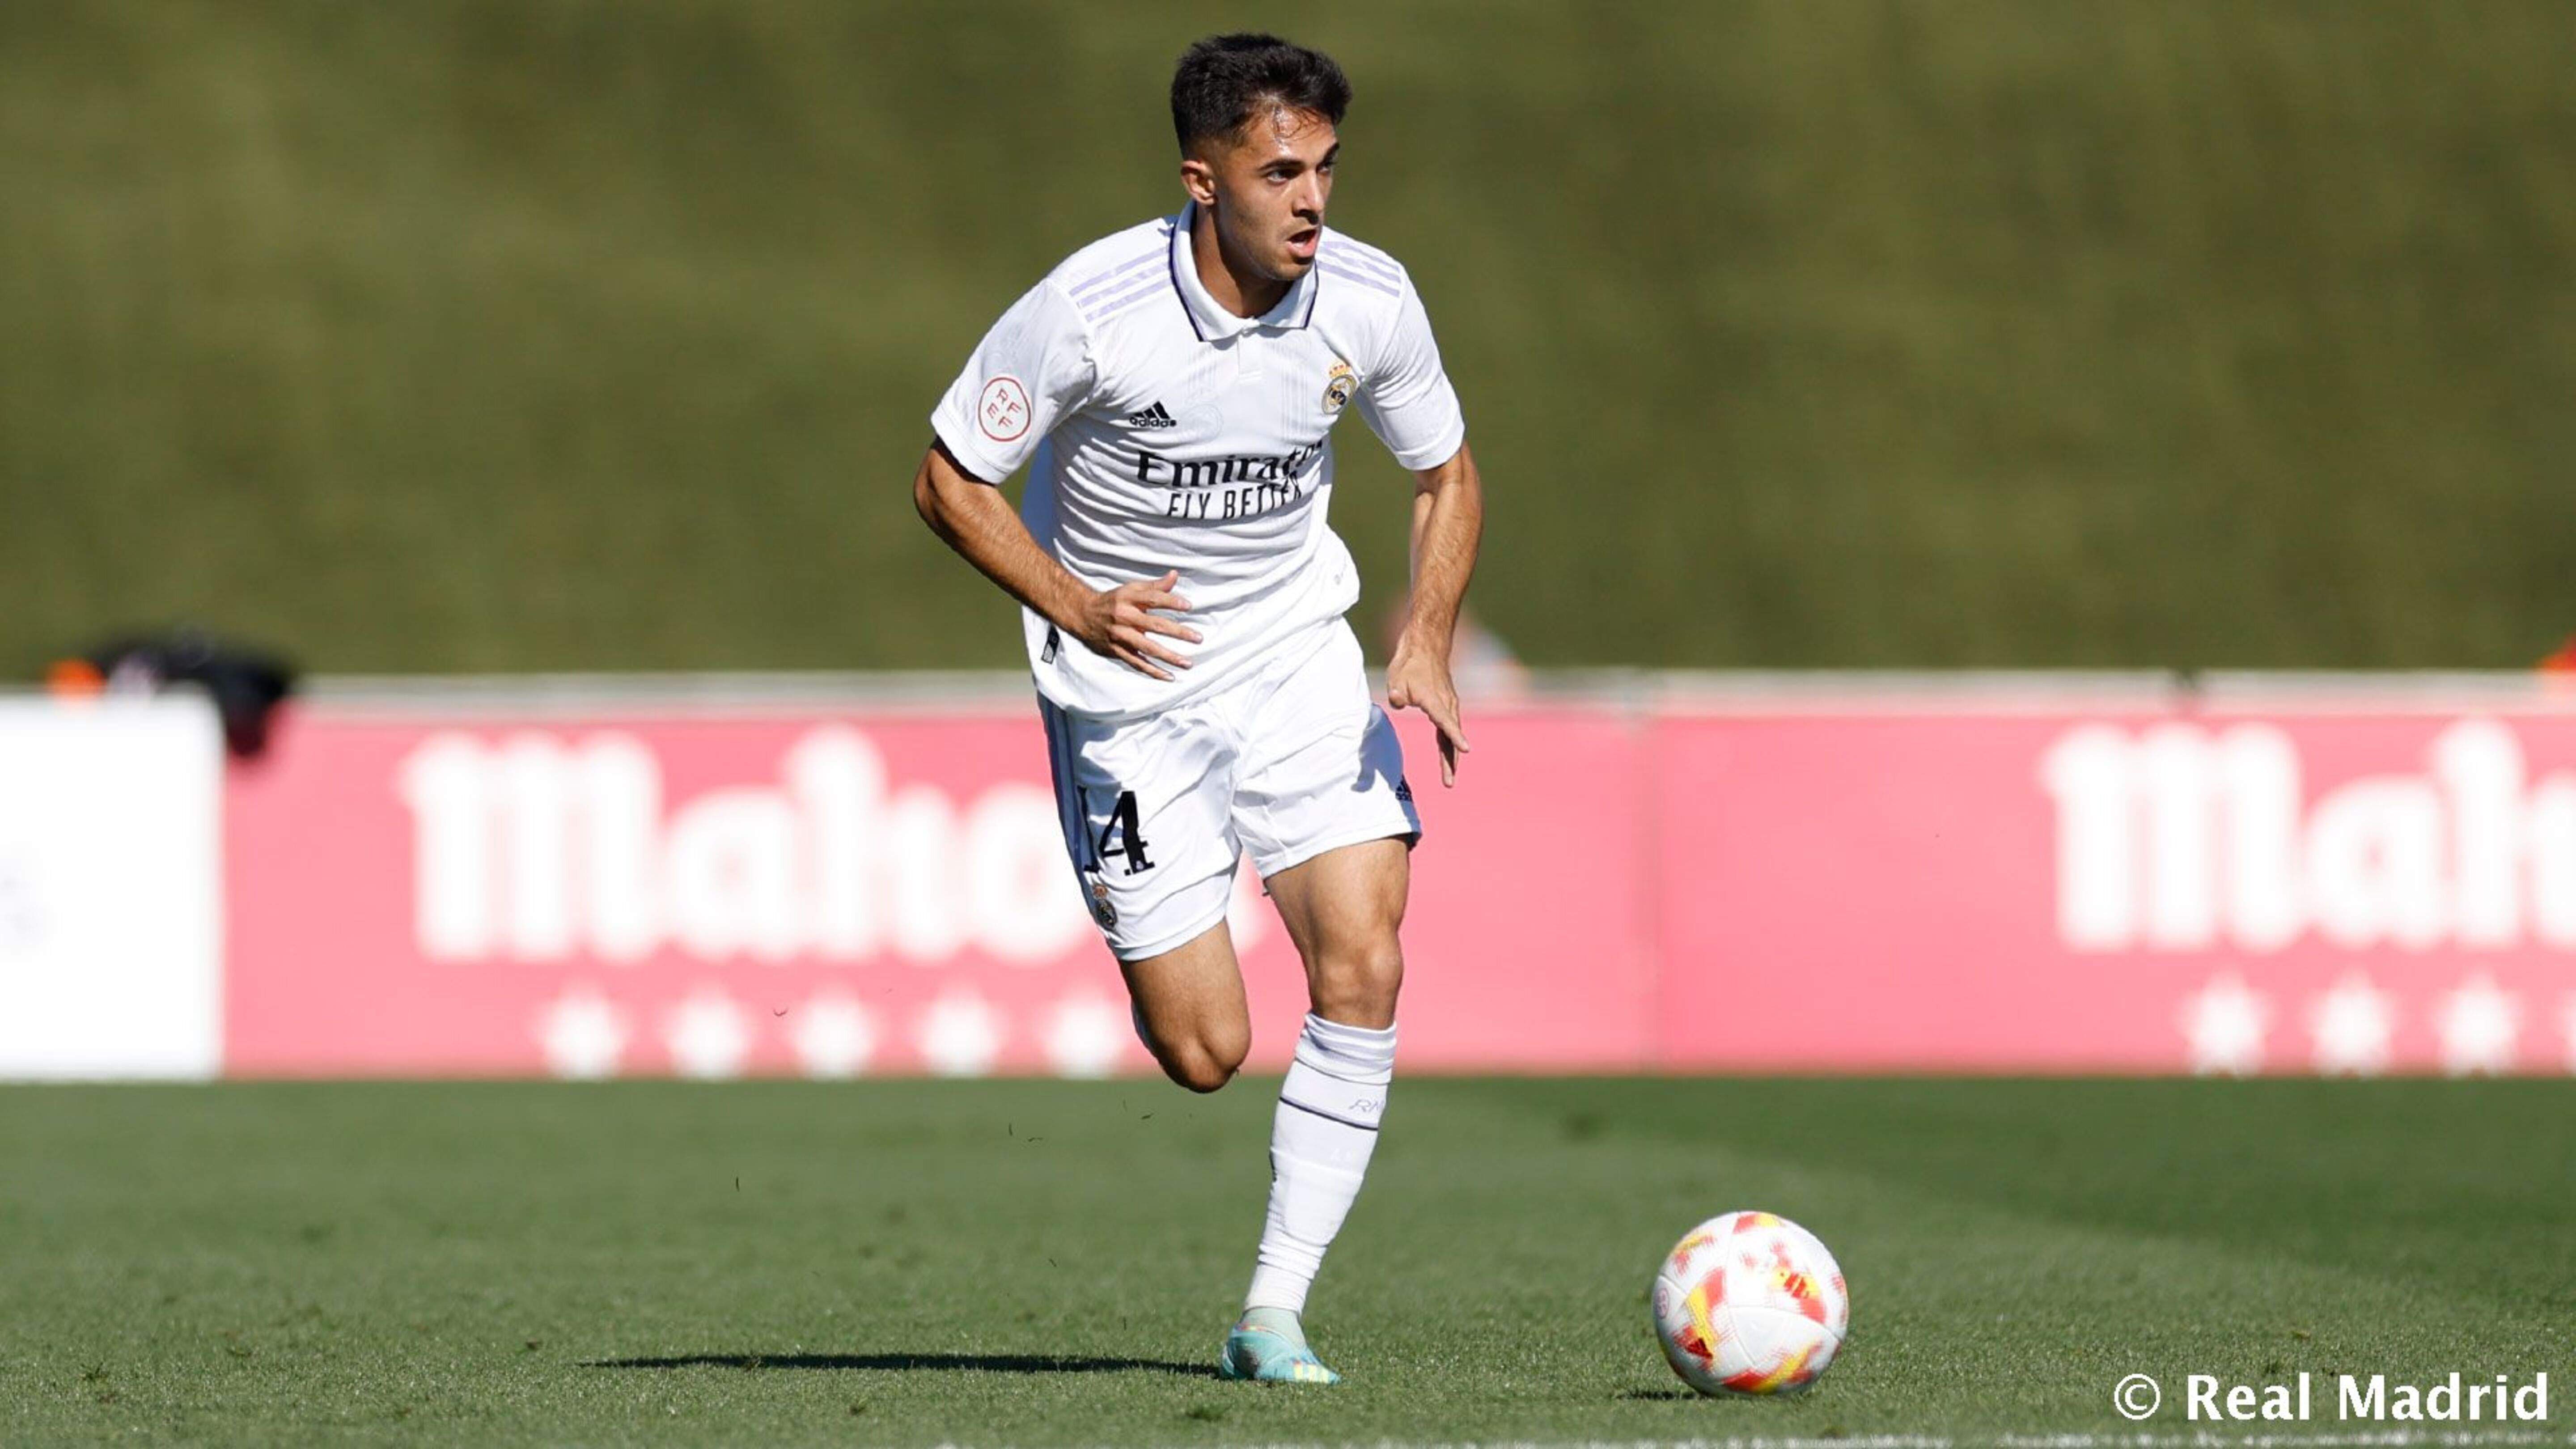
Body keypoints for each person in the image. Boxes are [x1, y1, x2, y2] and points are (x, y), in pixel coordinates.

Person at [911, 33, 1483, 1384]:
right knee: (1206, 1049)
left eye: (1326, 169)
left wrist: (1428, 636)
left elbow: (1447, 472)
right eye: (1280, 173)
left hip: (1295, 655)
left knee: (1366, 961)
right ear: (1202, 180)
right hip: (1130, 690)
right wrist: (1075, 603)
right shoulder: (1092, 309)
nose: (1312, 200)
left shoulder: (1369, 299)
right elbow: (949, 480)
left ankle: (1273, 1313)